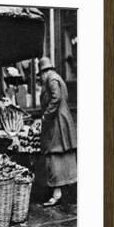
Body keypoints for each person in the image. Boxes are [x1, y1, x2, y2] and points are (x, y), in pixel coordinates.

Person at [37, 57, 77, 206]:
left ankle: (58, 192)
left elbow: (56, 98)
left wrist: (46, 116)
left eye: (40, 74)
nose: (40, 78)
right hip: (62, 119)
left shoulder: (52, 79)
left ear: (44, 72)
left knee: (54, 153)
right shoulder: (57, 77)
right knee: (63, 154)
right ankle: (62, 191)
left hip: (57, 121)